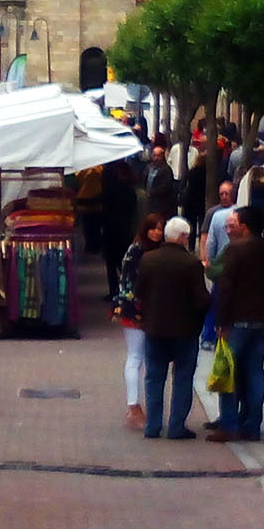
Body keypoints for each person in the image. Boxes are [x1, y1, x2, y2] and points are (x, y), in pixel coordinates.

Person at [206, 205, 264, 443]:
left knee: (227, 370)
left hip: (236, 320)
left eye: (234, 223)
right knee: (254, 372)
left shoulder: (235, 251)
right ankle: (252, 425)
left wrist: (221, 321)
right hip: (260, 320)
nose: (229, 228)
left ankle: (229, 424)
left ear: (245, 226)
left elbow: (225, 289)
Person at [134, 216, 210, 439]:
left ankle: (153, 426)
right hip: (184, 329)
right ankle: (176, 426)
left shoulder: (148, 259)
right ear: (184, 237)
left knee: (154, 377)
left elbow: (139, 291)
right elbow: (201, 299)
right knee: (183, 377)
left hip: (155, 327)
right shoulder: (191, 264)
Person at [112, 211, 167, 429]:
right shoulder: (136, 251)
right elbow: (129, 282)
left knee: (143, 357)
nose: (157, 232)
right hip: (135, 310)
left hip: (148, 310)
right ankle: (133, 406)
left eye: (160, 228)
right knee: (136, 356)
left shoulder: (157, 251)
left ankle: (138, 406)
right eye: (153, 228)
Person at [99, 157, 138, 297]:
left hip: (111, 230)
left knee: (111, 263)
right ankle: (126, 290)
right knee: (123, 263)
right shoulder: (130, 189)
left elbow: (105, 207)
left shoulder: (111, 189)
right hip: (125, 230)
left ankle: (113, 291)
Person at [204, 181, 240, 265]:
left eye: (227, 194)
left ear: (233, 194)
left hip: (222, 265)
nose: (224, 197)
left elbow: (210, 245)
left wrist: (210, 263)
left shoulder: (216, 216)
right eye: (221, 194)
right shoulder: (212, 212)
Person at [142, 145, 178, 222]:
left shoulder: (166, 170)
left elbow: (166, 187)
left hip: (160, 204)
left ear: (162, 156)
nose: (156, 158)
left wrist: (152, 192)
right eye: (154, 155)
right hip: (148, 202)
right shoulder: (148, 167)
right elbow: (143, 180)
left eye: (158, 156)